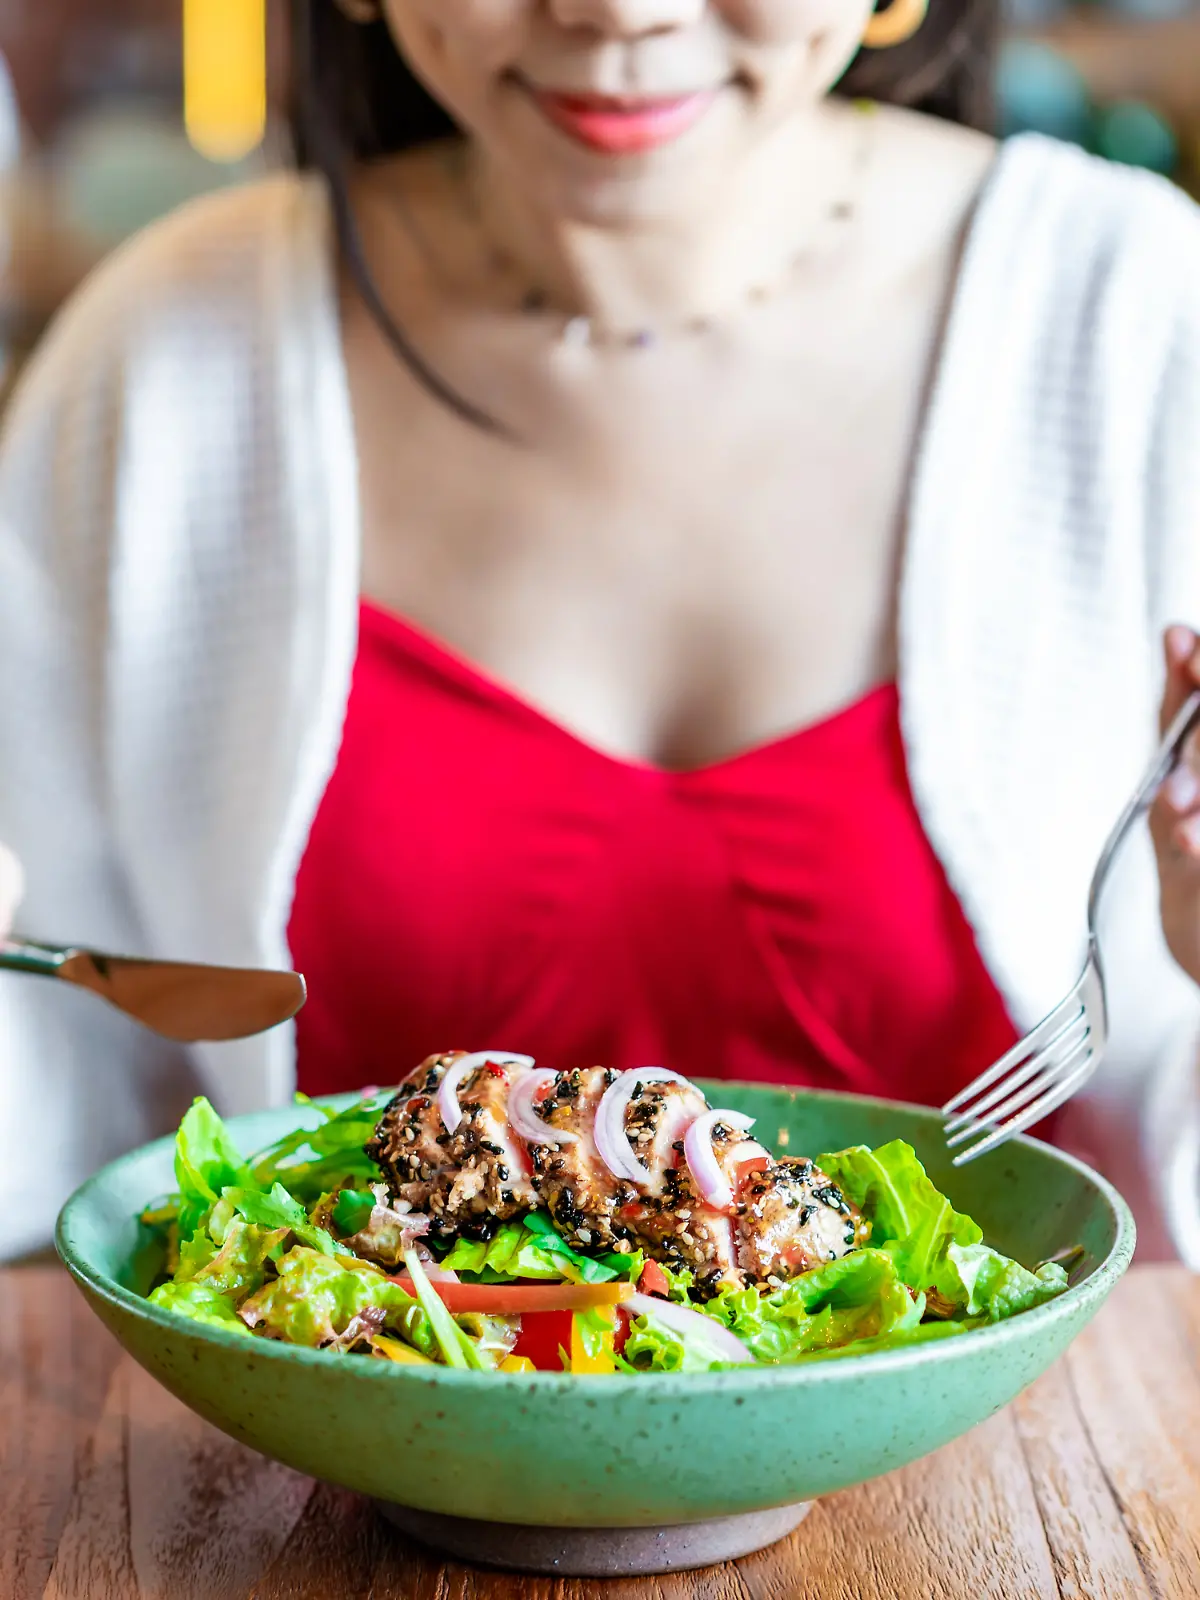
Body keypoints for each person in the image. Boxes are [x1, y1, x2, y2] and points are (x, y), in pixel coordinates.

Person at [1, 0, 1199, 1265]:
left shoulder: (1144, 326)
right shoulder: (160, 367)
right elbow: (65, 1123)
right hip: (327, 1461)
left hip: (1034, 1451)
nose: (620, 10)